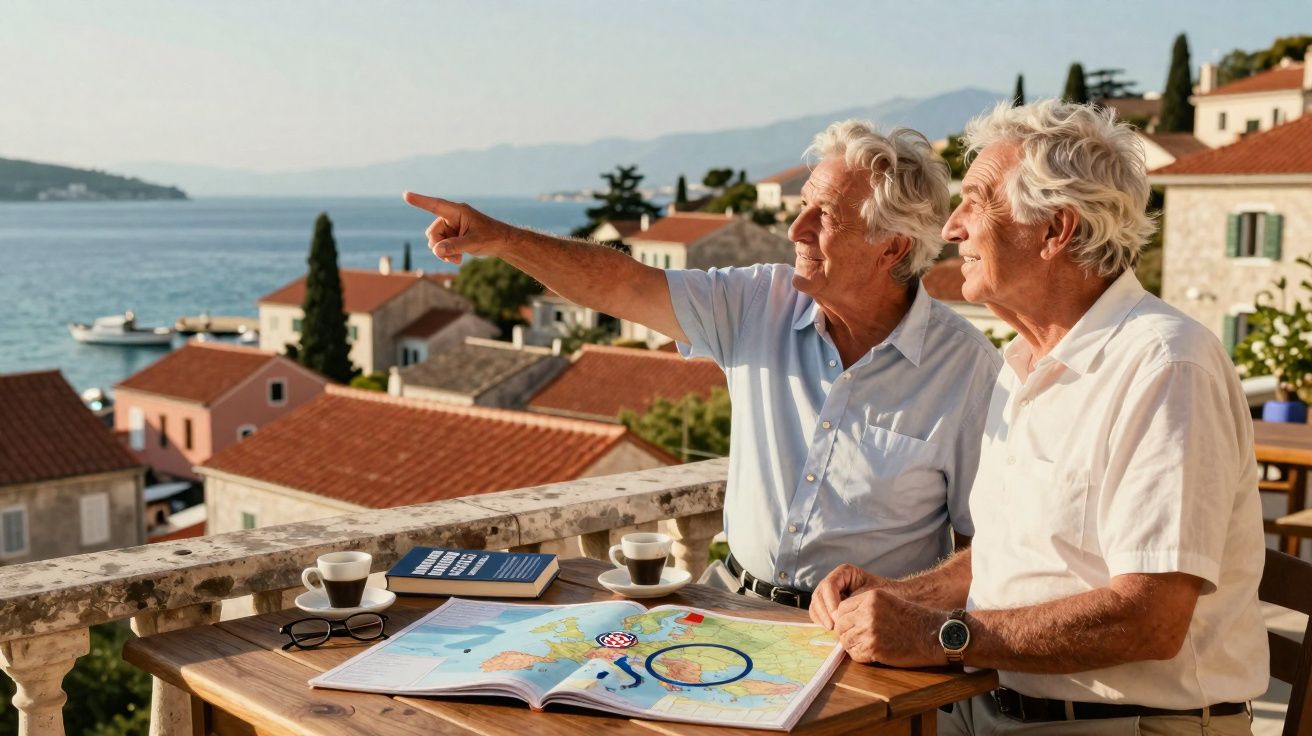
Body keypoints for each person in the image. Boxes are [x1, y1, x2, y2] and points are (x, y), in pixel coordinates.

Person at [405, 120, 1001, 608]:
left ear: (892, 246)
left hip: (867, 644)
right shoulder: (757, 302)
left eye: (825, 217)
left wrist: (900, 607)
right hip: (733, 607)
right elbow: (623, 286)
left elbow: (990, 548)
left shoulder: (968, 371)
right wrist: (503, 240)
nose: (795, 229)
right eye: (802, 207)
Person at [809, 100, 1266, 735]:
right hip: (991, 708)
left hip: (1129, 724)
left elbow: (1152, 618)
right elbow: (1009, 558)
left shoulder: (1165, 365)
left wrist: (938, 634)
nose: (952, 228)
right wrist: (896, 596)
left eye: (976, 202)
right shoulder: (1022, 363)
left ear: (1055, 230)